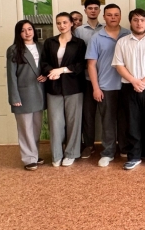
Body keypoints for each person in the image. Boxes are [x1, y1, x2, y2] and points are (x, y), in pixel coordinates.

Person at [112, 8, 145, 170]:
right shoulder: (122, 42)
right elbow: (119, 65)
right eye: (135, 20)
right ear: (130, 22)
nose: (139, 23)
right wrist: (134, 81)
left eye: (142, 20)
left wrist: (144, 82)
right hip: (129, 87)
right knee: (132, 123)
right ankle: (134, 156)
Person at [86, 4, 131, 167]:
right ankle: (108, 152)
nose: (113, 17)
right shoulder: (96, 37)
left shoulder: (128, 34)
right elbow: (91, 65)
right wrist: (96, 88)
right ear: (104, 17)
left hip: (126, 85)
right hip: (106, 86)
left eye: (116, 14)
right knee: (108, 121)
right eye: (109, 15)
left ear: (120, 16)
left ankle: (125, 148)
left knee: (126, 120)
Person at [41, 12, 87, 167]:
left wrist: (61, 70)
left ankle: (71, 153)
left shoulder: (79, 43)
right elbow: (44, 62)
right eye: (59, 23)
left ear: (71, 23)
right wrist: (51, 72)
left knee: (74, 122)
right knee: (55, 122)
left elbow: (81, 65)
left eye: (65, 22)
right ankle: (56, 155)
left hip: (74, 88)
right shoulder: (50, 42)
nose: (62, 26)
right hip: (53, 87)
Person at [6, 20, 47, 170]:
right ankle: (29, 158)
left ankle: (34, 154)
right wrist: (14, 97)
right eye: (23, 30)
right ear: (19, 33)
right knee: (25, 129)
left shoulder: (41, 47)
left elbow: (46, 67)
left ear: (34, 31)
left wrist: (46, 75)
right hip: (23, 94)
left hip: (39, 93)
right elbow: (11, 75)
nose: (27, 33)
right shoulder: (13, 49)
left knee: (36, 128)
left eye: (30, 29)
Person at [74, 0, 103, 159]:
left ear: (99, 10)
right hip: (86, 78)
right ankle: (89, 145)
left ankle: (110, 144)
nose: (93, 10)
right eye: (90, 8)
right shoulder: (79, 31)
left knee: (108, 114)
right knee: (88, 114)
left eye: (95, 8)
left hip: (105, 77)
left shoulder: (105, 28)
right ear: (85, 11)